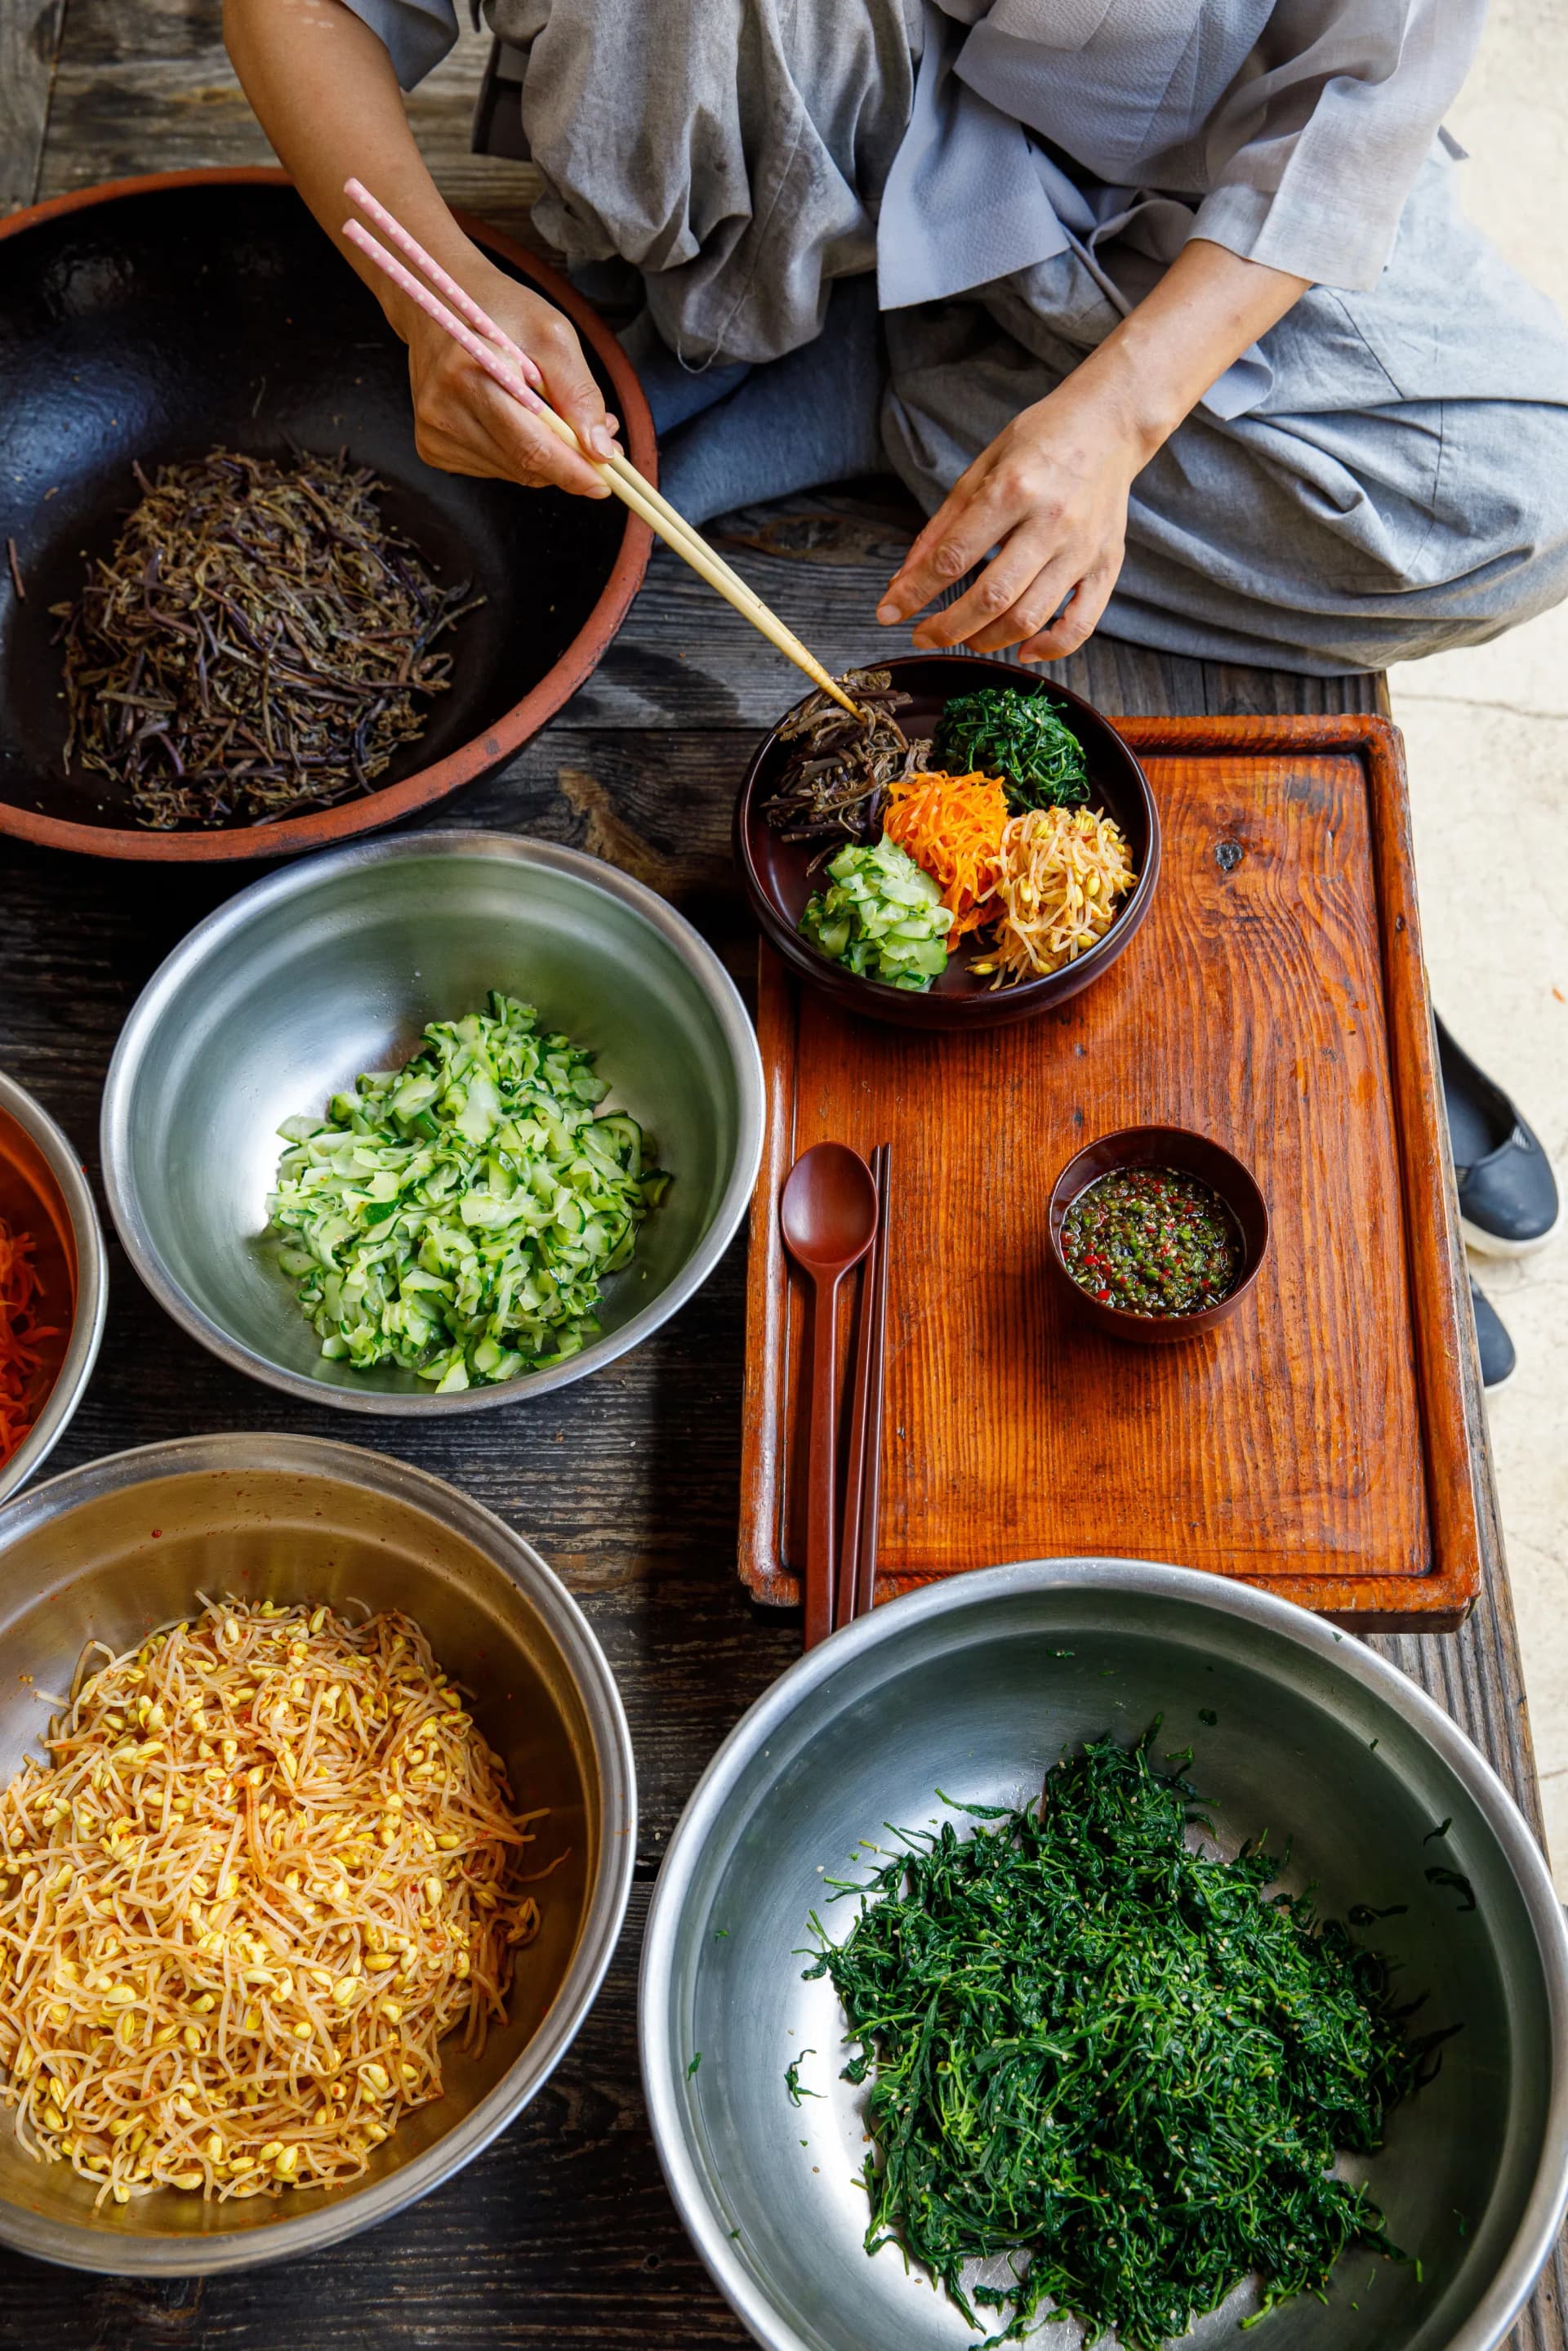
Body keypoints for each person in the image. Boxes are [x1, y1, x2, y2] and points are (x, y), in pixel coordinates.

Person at [225, 0, 1561, 1373]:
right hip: (772, 178)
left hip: (1142, 190)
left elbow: (1369, 75)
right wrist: (428, 295)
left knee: (1514, 505)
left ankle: (925, 391)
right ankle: (867, 347)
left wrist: (1124, 413)